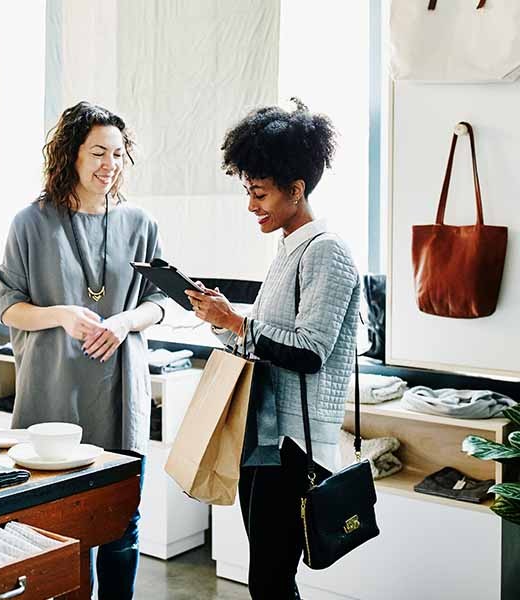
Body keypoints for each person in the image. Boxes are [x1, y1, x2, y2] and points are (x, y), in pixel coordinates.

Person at [186, 99, 360, 600]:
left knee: (270, 577)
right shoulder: (288, 248)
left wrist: (236, 320)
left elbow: (310, 352)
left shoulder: (326, 249)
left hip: (294, 442)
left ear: (296, 189)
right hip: (265, 435)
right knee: (267, 574)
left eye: (259, 193)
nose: (251, 205)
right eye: (248, 191)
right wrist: (220, 320)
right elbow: (263, 339)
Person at [0, 101, 166, 599]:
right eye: (97, 152)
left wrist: (123, 321)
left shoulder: (140, 223)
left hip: (118, 390)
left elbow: (160, 303)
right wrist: (61, 315)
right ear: (70, 154)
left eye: (117, 153)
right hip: (53, 389)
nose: (108, 164)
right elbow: (9, 307)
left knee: (120, 519)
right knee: (55, 523)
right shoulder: (31, 223)